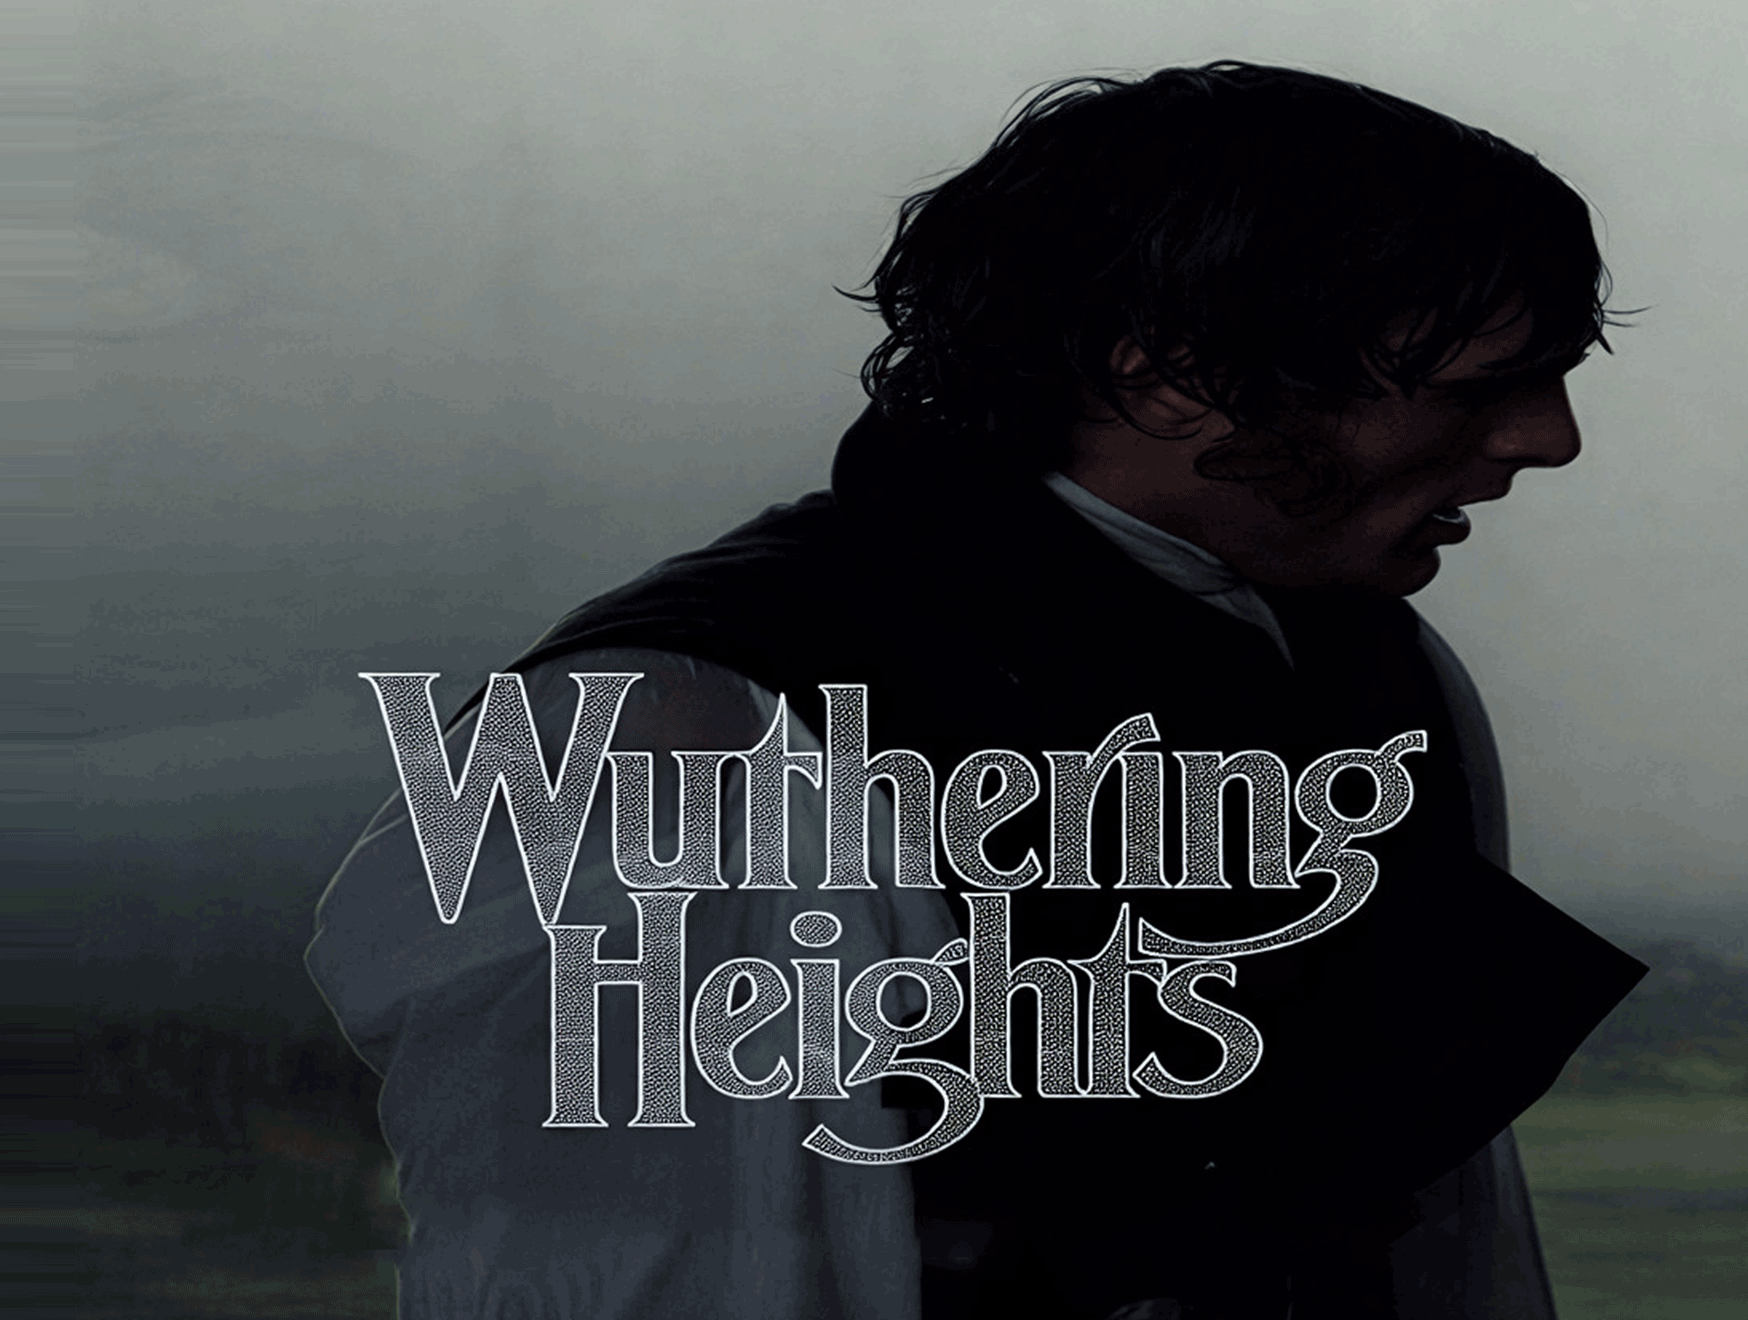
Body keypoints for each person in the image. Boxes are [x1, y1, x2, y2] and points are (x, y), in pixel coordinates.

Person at [307, 64, 1645, 1319]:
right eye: (1478, 386)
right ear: (1164, 377)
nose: (1551, 439)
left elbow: (1438, 1233)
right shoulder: (675, 730)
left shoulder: (1374, 664)